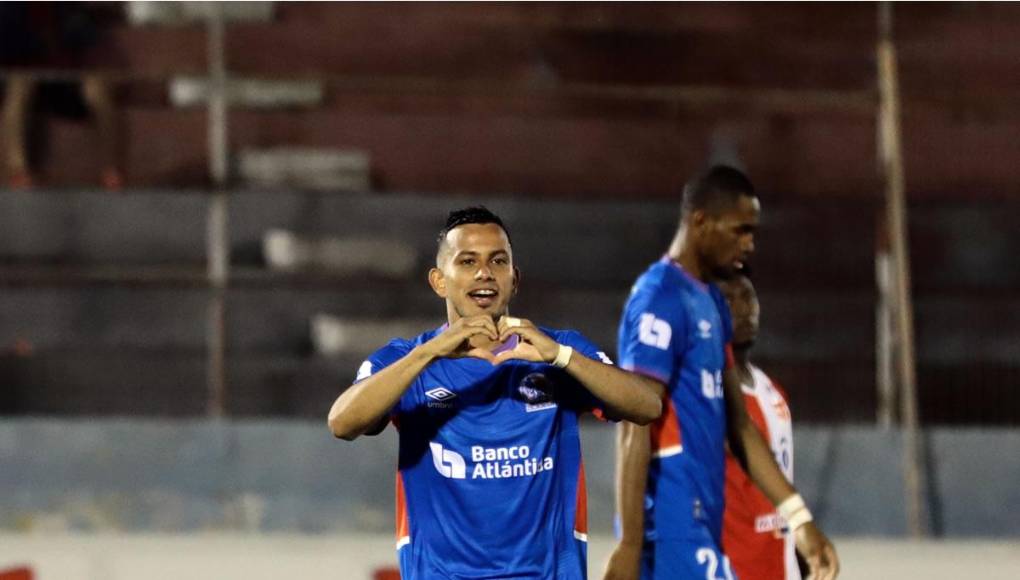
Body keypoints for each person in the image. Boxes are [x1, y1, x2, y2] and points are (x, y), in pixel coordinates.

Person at [328, 206, 663, 579]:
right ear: (440, 281)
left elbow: (647, 405)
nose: (484, 273)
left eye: (498, 261)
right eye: (467, 261)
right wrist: (429, 353)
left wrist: (563, 357)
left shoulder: (557, 351)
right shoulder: (407, 360)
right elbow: (343, 422)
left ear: (514, 278)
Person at [603, 166, 838, 580]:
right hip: (670, 525)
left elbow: (740, 426)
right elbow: (633, 423)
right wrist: (629, 545)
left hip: (703, 523)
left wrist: (798, 519)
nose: (749, 243)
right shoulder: (660, 297)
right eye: (740, 230)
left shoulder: (710, 299)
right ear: (700, 222)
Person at [718, 271, 802, 580]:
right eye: (730, 300)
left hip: (780, 564)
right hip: (732, 565)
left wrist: (799, 539)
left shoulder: (772, 389)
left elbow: (782, 474)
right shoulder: (707, 395)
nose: (744, 308)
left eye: (748, 297)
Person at [1, 2, 121, 190]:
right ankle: (18, 170)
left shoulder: (68, 11)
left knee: (96, 87)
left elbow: (91, 44)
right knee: (20, 84)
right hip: (29, 81)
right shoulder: (11, 10)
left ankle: (110, 169)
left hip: (64, 82)